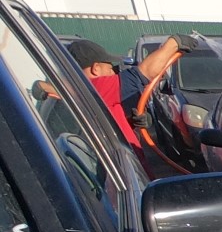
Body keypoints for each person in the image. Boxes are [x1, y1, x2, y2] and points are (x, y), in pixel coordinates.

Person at [64, 36, 193, 151]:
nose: (114, 73)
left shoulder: (81, 93)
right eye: (110, 68)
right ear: (96, 69)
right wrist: (174, 43)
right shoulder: (94, 88)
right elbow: (145, 72)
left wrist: (130, 121)